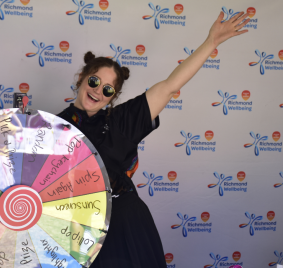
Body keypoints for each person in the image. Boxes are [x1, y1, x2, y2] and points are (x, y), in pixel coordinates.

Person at [57, 11, 250, 268]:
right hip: (76, 232)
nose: (97, 90)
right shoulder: (50, 128)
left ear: (112, 97)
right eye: (94, 81)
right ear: (82, 78)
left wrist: (210, 43)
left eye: (107, 89)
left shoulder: (122, 121)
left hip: (125, 225)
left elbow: (170, 86)